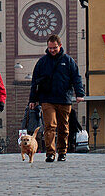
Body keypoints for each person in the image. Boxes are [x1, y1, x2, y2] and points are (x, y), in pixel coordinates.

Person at [28, 33, 85, 163]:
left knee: (63, 127)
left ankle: (62, 152)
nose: (52, 50)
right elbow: (35, 82)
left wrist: (79, 93)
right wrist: (32, 99)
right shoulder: (42, 62)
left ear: (60, 46)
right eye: (50, 48)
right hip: (47, 99)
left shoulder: (68, 61)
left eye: (54, 48)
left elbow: (76, 78)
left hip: (64, 99)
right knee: (49, 126)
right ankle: (50, 153)